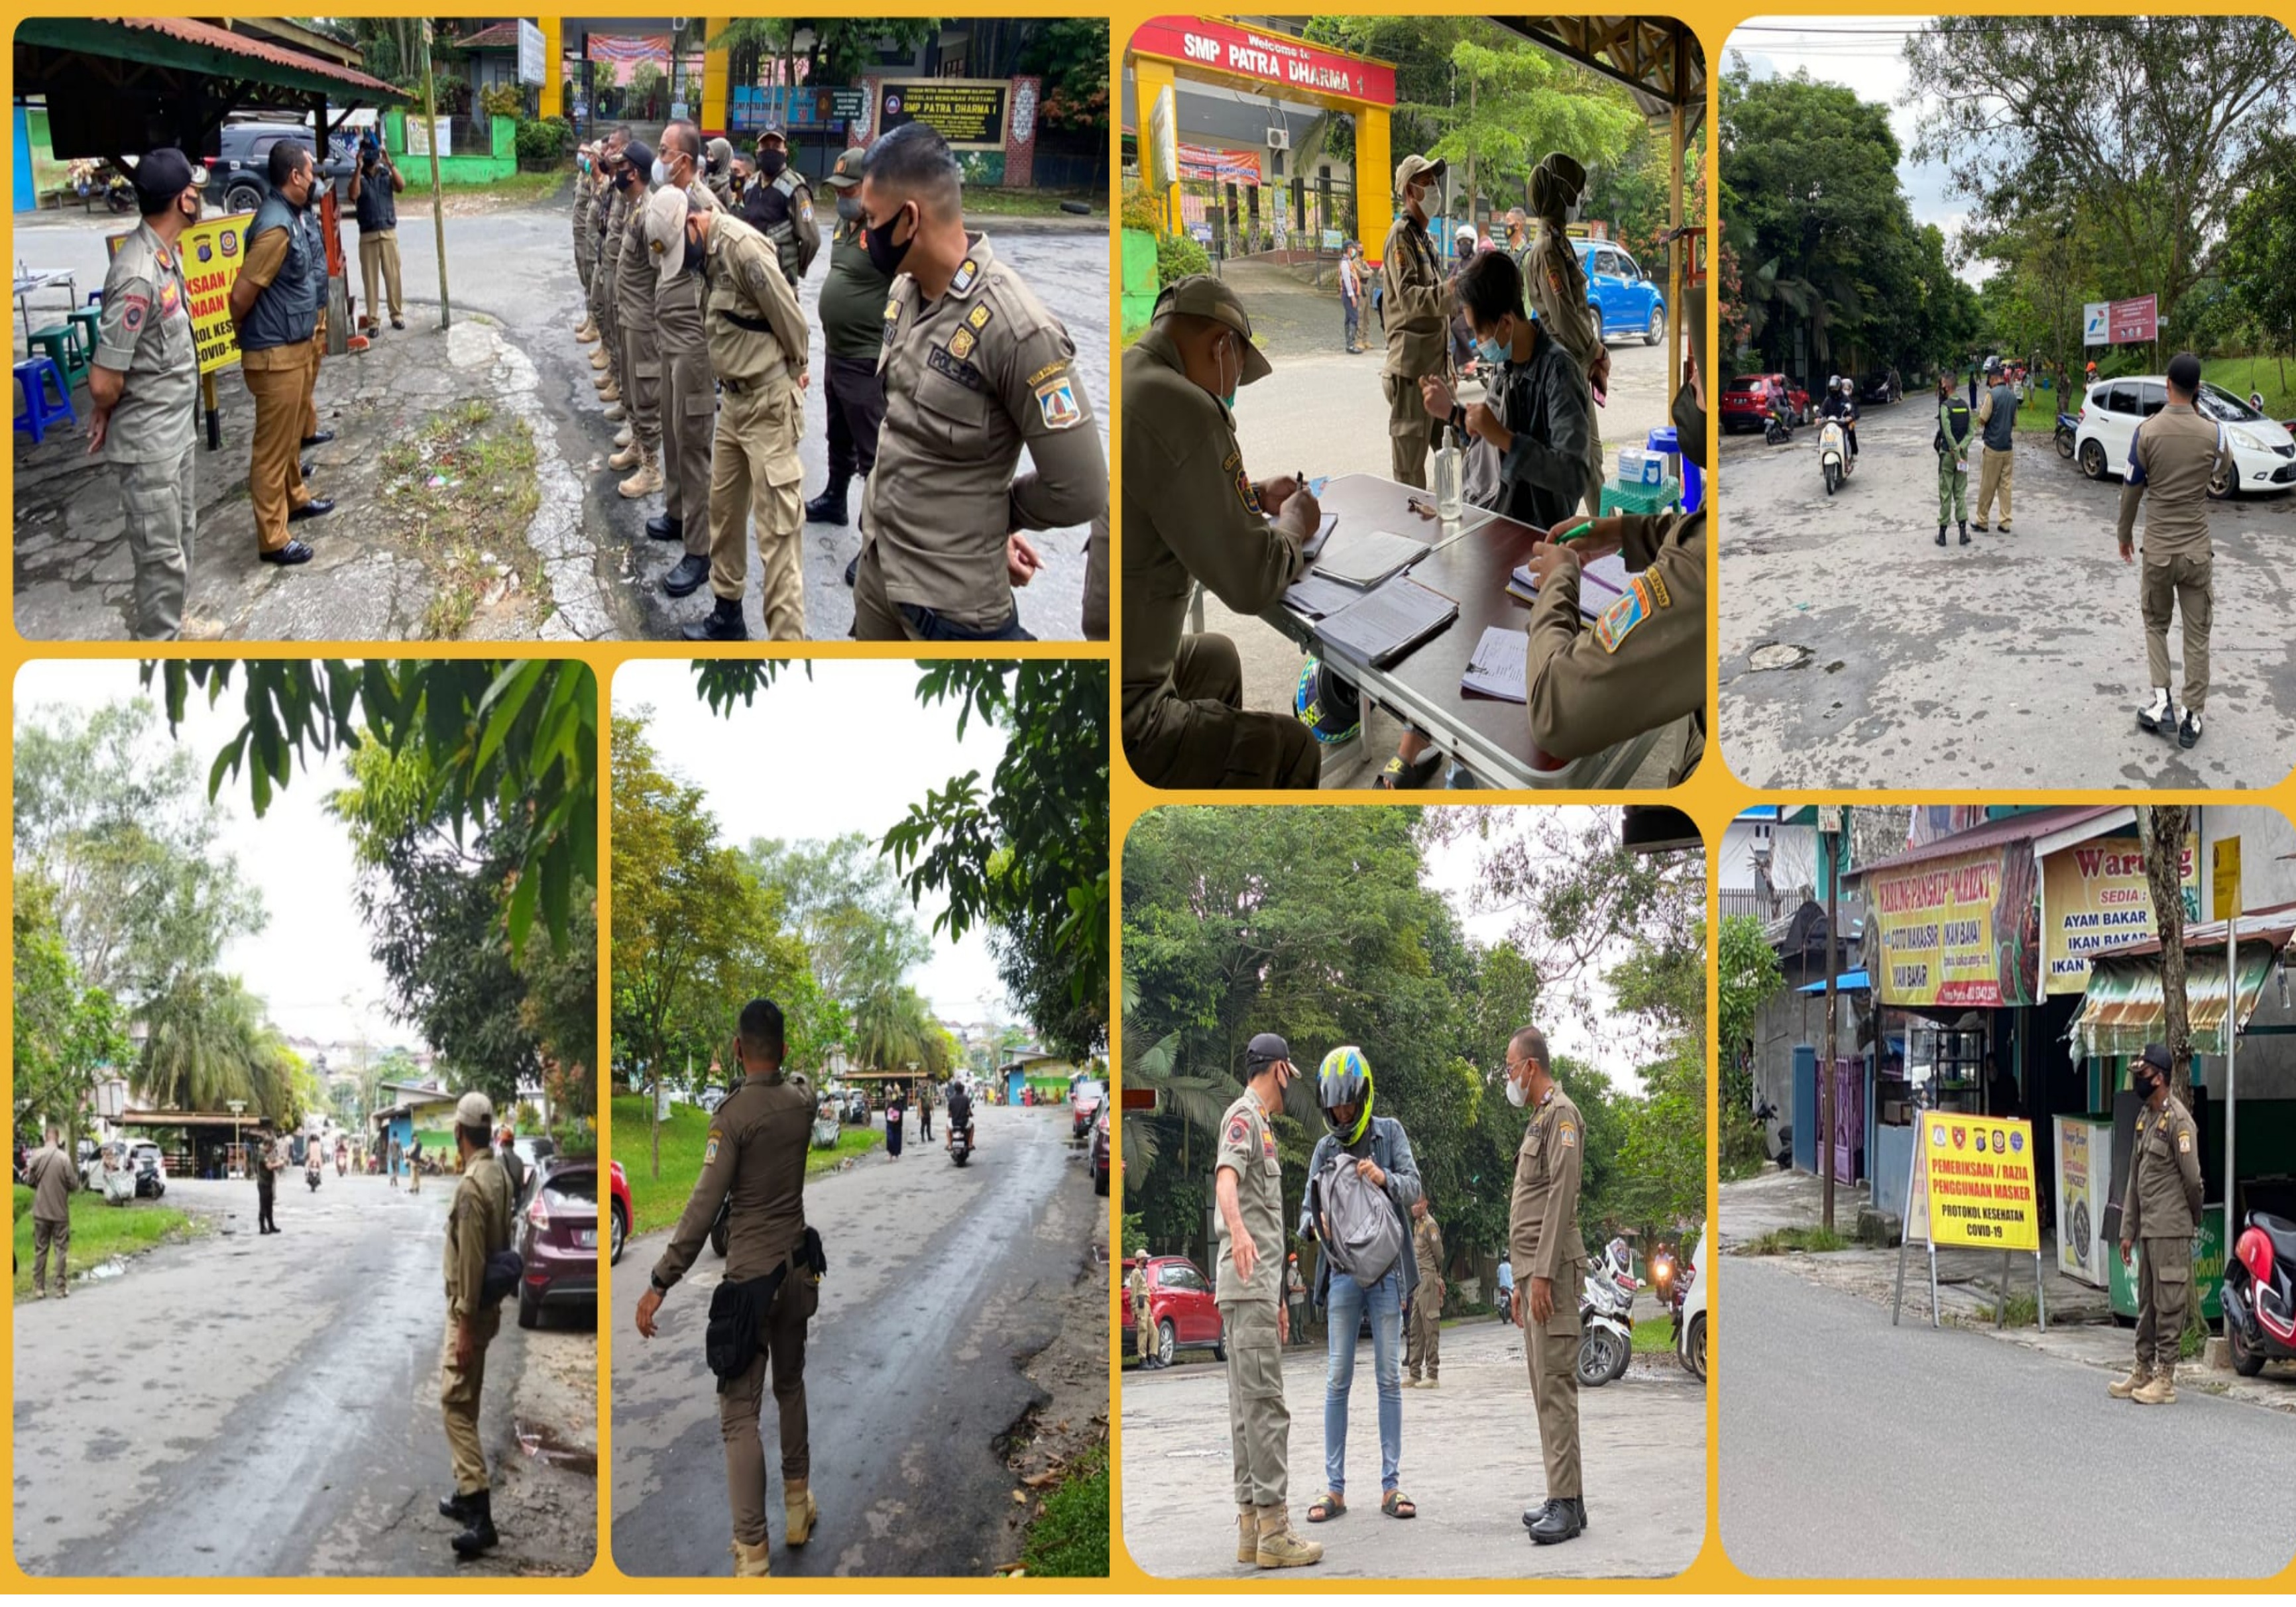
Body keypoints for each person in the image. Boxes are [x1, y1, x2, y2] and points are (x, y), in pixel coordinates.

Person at [850, 123, 1106, 641]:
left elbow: (1081, 489)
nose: (864, 235)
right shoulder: (905, 290)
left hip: (951, 607)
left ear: (910, 220)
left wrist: (992, 515)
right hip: (880, 568)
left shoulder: (1016, 329)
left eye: (872, 221)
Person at [637, 999, 819, 1577]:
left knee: (739, 1415)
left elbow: (702, 1208)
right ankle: (797, 1507)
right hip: (797, 1274)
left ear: (738, 1048)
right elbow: (803, 1082)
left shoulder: (732, 1118)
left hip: (750, 1286)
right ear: (784, 1048)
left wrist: (660, 1278)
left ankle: (754, 1555)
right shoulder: (802, 1104)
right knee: (790, 1386)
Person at [1119, 274, 1322, 789]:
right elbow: (1252, 581)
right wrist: (1295, 523)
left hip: (1118, 658)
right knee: (1294, 749)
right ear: (1223, 346)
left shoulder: (1129, 373)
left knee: (1216, 656)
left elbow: (1160, 491)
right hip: (1129, 714)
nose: (1231, 392)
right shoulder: (1184, 405)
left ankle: (1212, 774)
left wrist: (1250, 494)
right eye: (1236, 377)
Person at [1512, 262, 1709, 779]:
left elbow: (1556, 710)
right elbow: (1699, 528)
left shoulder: (1557, 368)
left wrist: (1559, 580)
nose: (1688, 387)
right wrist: (1625, 532)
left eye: (1698, 379)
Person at [673, 194, 811, 643]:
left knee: (777, 534)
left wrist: (792, 374)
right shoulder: (705, 255)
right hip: (732, 403)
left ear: (695, 222)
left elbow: (792, 322)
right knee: (725, 512)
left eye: (682, 245)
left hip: (767, 404)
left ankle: (787, 650)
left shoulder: (743, 248)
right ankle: (727, 615)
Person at [1297, 1047, 1421, 1527]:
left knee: (1389, 1378)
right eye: (1337, 1108)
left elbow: (1414, 1187)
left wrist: (1383, 1176)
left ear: (1364, 1097)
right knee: (1337, 1378)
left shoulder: (1389, 1133)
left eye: (1349, 1106)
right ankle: (1335, 1488)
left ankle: (1392, 1485)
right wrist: (1314, 1223)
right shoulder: (1326, 1150)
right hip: (1344, 1273)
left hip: (1387, 1272)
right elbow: (1305, 1210)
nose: (1343, 1114)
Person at [88, 146, 203, 639]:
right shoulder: (137, 272)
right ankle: (161, 646)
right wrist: (104, 408)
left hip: (173, 432)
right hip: (150, 442)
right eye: (194, 190)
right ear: (184, 201)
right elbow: (103, 379)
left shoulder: (163, 255)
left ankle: (177, 623)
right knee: (159, 556)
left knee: (180, 538)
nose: (200, 196)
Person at [1216, 1034, 1321, 1568]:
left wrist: (1279, 1295)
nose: (1289, 1089)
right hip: (1247, 1281)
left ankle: (1252, 1527)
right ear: (1278, 1070)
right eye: (1289, 1077)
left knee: (1246, 1409)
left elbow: (1266, 1220)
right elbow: (1227, 1181)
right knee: (1266, 1409)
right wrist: (1235, 1230)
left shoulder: (1261, 1124)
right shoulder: (1244, 1116)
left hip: (1255, 1286)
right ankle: (1276, 1530)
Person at [2116, 349, 2231, 750]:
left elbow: (2132, 489)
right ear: (2198, 388)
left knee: (2155, 623)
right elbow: (2222, 469)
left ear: (2168, 385)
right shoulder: (2213, 433)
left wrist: (2124, 534)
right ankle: (2192, 717)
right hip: (2198, 551)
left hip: (2160, 551)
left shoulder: (2146, 433)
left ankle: (2162, 701)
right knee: (2197, 635)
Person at [227, 139, 330, 567]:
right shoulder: (274, 228)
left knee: (290, 440)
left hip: (292, 347)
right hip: (274, 354)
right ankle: (272, 537)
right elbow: (240, 297)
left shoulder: (290, 216)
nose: (314, 179)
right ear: (295, 177)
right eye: (310, 172)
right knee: (272, 451)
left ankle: (296, 497)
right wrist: (249, 336)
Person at [1504, 1025, 1587, 1545]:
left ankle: (1566, 1502)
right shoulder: (1538, 1119)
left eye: (1511, 1068)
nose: (1509, 1078)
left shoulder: (1561, 1116)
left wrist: (1539, 1273)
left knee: (1556, 1384)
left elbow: (1560, 1195)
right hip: (1535, 1272)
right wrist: (1520, 1279)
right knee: (1544, 1386)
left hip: (1552, 1271)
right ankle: (1566, 1499)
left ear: (1531, 1067)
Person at [805, 148, 894, 586]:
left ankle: (874, 545)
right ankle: (835, 499)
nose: (841, 197)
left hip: (866, 358)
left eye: (850, 189)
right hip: (836, 350)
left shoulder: (886, 232)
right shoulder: (844, 224)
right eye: (837, 189)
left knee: (874, 455)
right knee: (836, 432)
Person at [437, 1091, 515, 1557]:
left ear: (459, 1134)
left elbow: (470, 1261)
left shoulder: (471, 1186)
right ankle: (466, 1496)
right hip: (486, 1305)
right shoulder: (499, 1172)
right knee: (466, 1397)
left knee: (453, 1401)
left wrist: (464, 1325)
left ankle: (480, 1510)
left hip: (468, 1309)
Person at [646, 125, 721, 599]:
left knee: (693, 443)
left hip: (694, 341)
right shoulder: (667, 197)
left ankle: (700, 550)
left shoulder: (705, 205)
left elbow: (724, 268)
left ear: (686, 160)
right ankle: (677, 514)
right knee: (672, 431)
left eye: (664, 152)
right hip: (669, 336)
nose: (659, 158)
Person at [2111, 1043, 2203, 1406]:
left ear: (2160, 1078)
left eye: (2143, 1075)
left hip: (2170, 1227)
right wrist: (2127, 1230)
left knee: (2169, 1303)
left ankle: (2165, 1377)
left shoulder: (2179, 1121)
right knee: (2148, 1302)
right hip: (2148, 1227)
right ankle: (2142, 1369)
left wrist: (2189, 1220)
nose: (2138, 1081)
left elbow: (2193, 1181)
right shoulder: (2145, 1118)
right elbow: (2135, 1179)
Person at [1521, 152, 1607, 515]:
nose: (1580, 200)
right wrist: (1596, 352)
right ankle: (1604, 540)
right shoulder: (1546, 252)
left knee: (1591, 458)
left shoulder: (1558, 244)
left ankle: (1606, 533)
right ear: (1561, 196)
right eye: (1576, 193)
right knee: (1581, 458)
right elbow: (1565, 316)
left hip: (1574, 365)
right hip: (1565, 367)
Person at [1379, 154, 1452, 488]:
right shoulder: (1401, 237)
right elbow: (1408, 297)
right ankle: (1413, 539)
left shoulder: (1426, 240)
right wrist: (1448, 293)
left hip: (1435, 371)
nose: (1435, 188)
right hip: (1411, 374)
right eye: (1427, 182)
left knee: (1454, 456)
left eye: (1435, 181)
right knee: (1409, 475)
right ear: (1410, 191)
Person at [610, 140, 665, 498]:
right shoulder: (633, 208)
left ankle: (652, 469)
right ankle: (638, 447)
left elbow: (662, 273)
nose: (617, 173)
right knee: (630, 389)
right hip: (626, 315)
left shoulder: (650, 213)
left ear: (636, 172)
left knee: (646, 394)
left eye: (622, 167)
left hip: (643, 322)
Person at [739, 127, 820, 290]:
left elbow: (811, 239)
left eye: (776, 146)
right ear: (757, 151)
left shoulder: (796, 189)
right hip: (752, 276)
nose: (770, 150)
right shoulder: (750, 185)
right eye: (765, 146)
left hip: (781, 279)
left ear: (785, 151)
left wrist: (795, 267)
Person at [348, 133, 406, 333]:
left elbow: (401, 186)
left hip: (388, 232)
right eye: (367, 152)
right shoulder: (359, 177)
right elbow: (353, 194)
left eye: (373, 151)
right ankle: (373, 321)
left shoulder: (385, 174)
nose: (371, 156)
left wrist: (390, 164)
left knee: (393, 277)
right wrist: (358, 167)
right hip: (368, 236)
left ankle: (396, 315)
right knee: (370, 281)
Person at [25, 1127, 76, 1299]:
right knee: (61, 1250)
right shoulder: (64, 1158)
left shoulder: (36, 1156)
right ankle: (60, 1289)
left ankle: (39, 1288)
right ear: (58, 1139)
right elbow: (73, 1185)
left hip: (40, 1212)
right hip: (60, 1213)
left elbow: (30, 1182)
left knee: (41, 1250)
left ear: (45, 1138)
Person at [1403, 1197, 1444, 1390]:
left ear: (1426, 1204)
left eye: (1417, 1203)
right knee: (1415, 1328)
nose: (1414, 1207)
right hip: (1418, 1280)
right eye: (1412, 1204)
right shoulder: (1417, 1225)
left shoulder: (1431, 1226)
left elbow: (1439, 1255)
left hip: (1428, 1277)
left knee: (1430, 1325)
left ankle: (1432, 1374)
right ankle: (1414, 1372)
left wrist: (1437, 1276)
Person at [1973, 357, 2016, 532]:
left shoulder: (1991, 395)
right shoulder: (2013, 397)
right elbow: (2015, 422)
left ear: (1992, 379)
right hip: (2008, 448)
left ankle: (1982, 521)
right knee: (2005, 487)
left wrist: (1983, 407)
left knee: (1987, 486)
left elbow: (1982, 419)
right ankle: (2005, 522)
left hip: (1993, 448)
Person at [1935, 371, 1974, 547]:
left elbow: (1948, 434)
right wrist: (1962, 448)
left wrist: (1955, 451)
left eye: (1942, 385)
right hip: (1962, 458)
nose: (1941, 388)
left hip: (1949, 457)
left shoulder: (1945, 407)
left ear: (1948, 386)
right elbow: (1971, 433)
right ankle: (1963, 534)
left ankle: (1942, 536)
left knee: (1946, 494)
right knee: (1961, 493)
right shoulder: (1965, 406)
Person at [573, 144, 601, 341]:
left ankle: (595, 323)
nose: (582, 157)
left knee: (591, 279)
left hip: (588, 235)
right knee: (584, 277)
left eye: (587, 153)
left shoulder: (595, 180)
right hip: (579, 233)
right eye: (581, 152)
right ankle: (589, 317)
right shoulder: (582, 176)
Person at [1129, 1258, 1159, 1369]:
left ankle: (1153, 1357)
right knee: (1143, 1331)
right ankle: (1143, 1360)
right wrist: (1134, 1309)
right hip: (1140, 1304)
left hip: (1146, 1304)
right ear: (1140, 1259)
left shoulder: (1141, 1273)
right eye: (1144, 1259)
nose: (1146, 1260)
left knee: (1154, 1331)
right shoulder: (1136, 1273)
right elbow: (1133, 1292)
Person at [1338, 241, 1365, 355]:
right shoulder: (1345, 263)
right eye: (1352, 248)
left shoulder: (1349, 262)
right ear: (1348, 249)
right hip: (1349, 294)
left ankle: (1349, 344)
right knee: (1353, 318)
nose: (1353, 250)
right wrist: (1352, 296)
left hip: (1352, 294)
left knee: (1349, 318)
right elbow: (1348, 281)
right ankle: (1351, 344)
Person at [255, 1127, 281, 1233]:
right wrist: (278, 1164)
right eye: (271, 1147)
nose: (271, 1150)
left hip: (269, 1183)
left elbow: (273, 1161)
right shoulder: (262, 1154)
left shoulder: (267, 1154)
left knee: (269, 1206)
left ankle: (271, 1225)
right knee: (263, 1206)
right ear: (267, 1145)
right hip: (263, 1183)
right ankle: (262, 1227)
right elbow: (269, 1167)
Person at [497, 1124, 528, 1204]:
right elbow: (521, 1184)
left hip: (501, 1202)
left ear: (502, 1144)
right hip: (516, 1203)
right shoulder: (520, 1162)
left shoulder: (497, 1161)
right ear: (513, 1144)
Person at [945, 1076, 974, 1154]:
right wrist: (971, 1114)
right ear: (962, 1089)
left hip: (955, 1123)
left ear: (954, 1089)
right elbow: (969, 1111)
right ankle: (970, 1143)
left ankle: (950, 1145)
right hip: (964, 1123)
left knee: (948, 1127)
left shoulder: (951, 1099)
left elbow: (949, 1113)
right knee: (972, 1126)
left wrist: (951, 1115)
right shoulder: (966, 1098)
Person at [1285, 1252, 1308, 1348]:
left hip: (1300, 1299)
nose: (1295, 1262)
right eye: (1293, 1261)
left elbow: (1299, 1284)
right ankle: (1296, 1339)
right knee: (1295, 1320)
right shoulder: (1290, 1273)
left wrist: (1304, 1288)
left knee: (1301, 1320)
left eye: (1296, 1260)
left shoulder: (1297, 1271)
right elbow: (1291, 1288)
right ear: (1290, 1262)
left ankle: (1301, 1337)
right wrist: (1301, 1289)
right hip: (1294, 1300)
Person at [1495, 1255, 1517, 1326]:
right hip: (1511, 1287)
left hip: (1503, 1287)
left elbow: (1498, 1276)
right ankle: (1514, 1315)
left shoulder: (1500, 1267)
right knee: (1514, 1302)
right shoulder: (1511, 1266)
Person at [886, 1086, 905, 1158]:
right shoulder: (890, 1104)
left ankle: (896, 1153)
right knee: (890, 1139)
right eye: (893, 1095)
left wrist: (898, 1118)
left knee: (897, 1139)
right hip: (890, 1125)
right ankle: (891, 1153)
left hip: (897, 1125)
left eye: (895, 1095)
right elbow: (886, 1113)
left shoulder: (899, 1104)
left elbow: (900, 1113)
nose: (893, 1097)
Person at [917, 1078, 935, 1142]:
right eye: (925, 1088)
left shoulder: (928, 1096)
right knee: (923, 1125)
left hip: (928, 1112)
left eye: (926, 1088)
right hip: (924, 1111)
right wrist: (921, 1112)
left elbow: (930, 1103)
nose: (926, 1089)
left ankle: (929, 1137)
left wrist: (932, 1110)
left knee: (929, 1125)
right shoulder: (921, 1096)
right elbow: (919, 1104)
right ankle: (922, 1138)